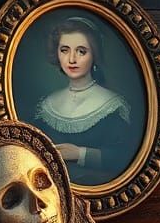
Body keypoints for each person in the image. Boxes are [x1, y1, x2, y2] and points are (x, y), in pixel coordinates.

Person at [31, 15, 135, 186]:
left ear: (94, 55)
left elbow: (122, 158)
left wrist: (80, 154)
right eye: (64, 50)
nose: (72, 59)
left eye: (81, 51)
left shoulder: (113, 105)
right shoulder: (45, 105)